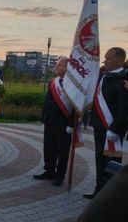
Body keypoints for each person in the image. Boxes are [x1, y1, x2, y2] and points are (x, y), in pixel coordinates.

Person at [83, 47, 128, 199]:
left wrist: (115, 129)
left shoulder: (124, 80)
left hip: (113, 130)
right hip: (100, 127)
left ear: (118, 60)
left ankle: (110, 197)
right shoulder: (104, 76)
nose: (105, 61)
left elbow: (124, 109)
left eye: (108, 59)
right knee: (100, 160)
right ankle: (99, 191)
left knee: (112, 163)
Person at [33, 57, 72, 186]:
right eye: (57, 65)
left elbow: (75, 107)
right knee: (49, 148)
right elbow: (48, 101)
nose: (57, 67)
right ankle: (49, 171)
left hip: (64, 123)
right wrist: (44, 116)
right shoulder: (54, 82)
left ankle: (60, 175)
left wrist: (72, 124)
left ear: (67, 67)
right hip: (50, 121)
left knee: (62, 150)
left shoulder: (73, 84)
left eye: (59, 65)